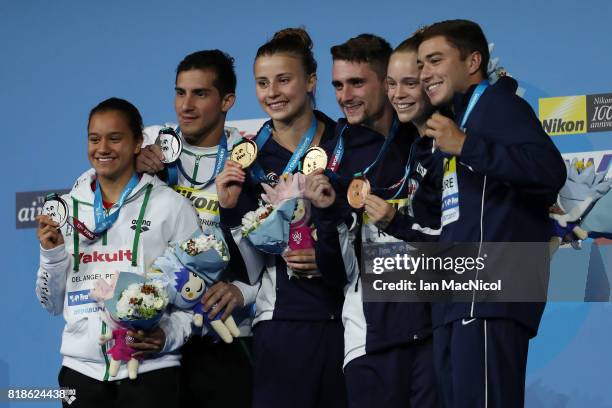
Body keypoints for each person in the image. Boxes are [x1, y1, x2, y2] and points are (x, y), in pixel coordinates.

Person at [417, 19, 567, 407]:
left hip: (490, 295)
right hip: (454, 301)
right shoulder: (453, 123)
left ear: (473, 62)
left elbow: (549, 171)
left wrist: (466, 145)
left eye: (434, 60)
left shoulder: (499, 105)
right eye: (420, 65)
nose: (425, 73)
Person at [36, 97, 200, 408]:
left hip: (151, 370)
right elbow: (50, 303)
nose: (103, 149)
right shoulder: (66, 209)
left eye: (115, 138)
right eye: (94, 139)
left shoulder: (171, 206)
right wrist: (51, 255)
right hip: (80, 372)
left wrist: (167, 335)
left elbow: (194, 294)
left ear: (139, 142)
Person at [215, 28, 347, 408]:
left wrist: (329, 257)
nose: (272, 92)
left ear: (310, 81)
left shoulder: (345, 143)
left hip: (348, 319)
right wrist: (228, 209)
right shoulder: (248, 159)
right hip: (282, 323)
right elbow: (245, 266)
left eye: (284, 80)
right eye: (262, 82)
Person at [306, 33, 440, 407]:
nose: (344, 96)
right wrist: (326, 215)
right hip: (370, 334)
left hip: (434, 325)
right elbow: (334, 274)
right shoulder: (335, 156)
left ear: (387, 82)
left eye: (356, 83)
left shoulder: (430, 139)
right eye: (337, 85)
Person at [136, 49, 254, 407]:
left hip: (223, 332)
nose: (185, 105)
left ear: (227, 101)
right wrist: (132, 168)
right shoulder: (152, 143)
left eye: (200, 94)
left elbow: (271, 247)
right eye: (179, 92)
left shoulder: (248, 155)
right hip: (158, 334)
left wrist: (243, 292)